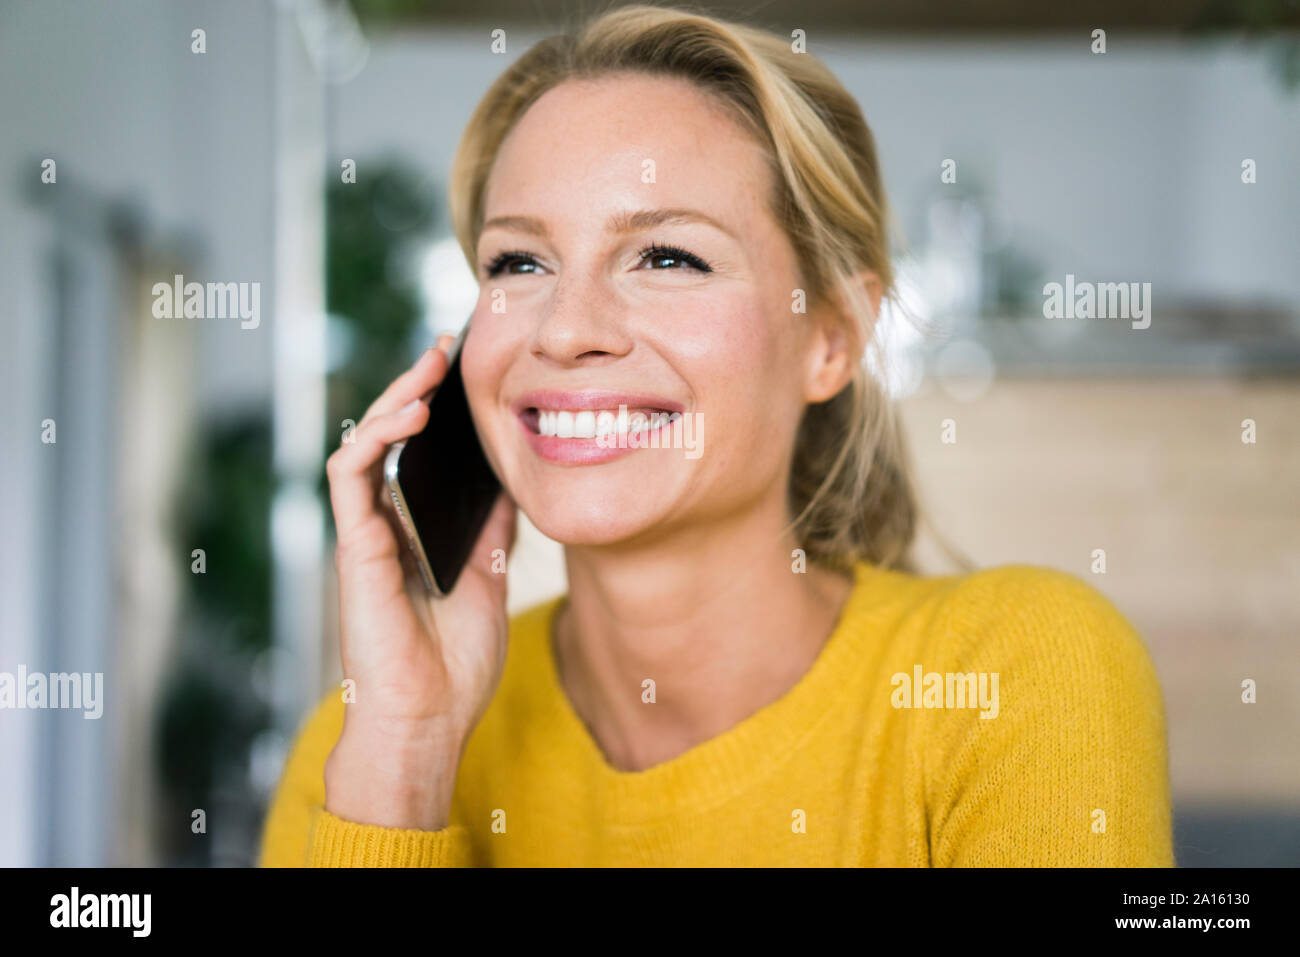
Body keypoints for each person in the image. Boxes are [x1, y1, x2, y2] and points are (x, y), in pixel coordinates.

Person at [258, 4, 1173, 866]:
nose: (565, 328)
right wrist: (407, 756)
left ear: (832, 337)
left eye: (668, 256)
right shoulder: (362, 747)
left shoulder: (1019, 676)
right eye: (518, 261)